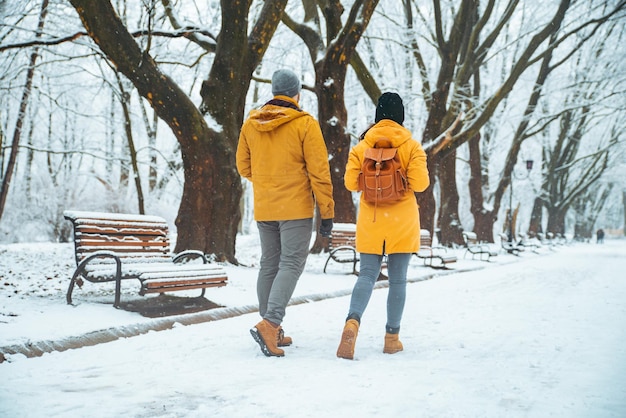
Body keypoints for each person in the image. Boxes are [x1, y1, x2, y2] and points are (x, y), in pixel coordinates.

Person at [236, 69, 335, 357]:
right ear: (296, 94)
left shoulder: (251, 124)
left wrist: (269, 180)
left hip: (265, 207)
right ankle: (270, 324)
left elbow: (244, 166)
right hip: (295, 207)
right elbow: (319, 171)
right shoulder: (304, 123)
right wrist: (326, 211)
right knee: (291, 264)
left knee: (270, 264)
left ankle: (272, 328)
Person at [336, 92, 429, 360]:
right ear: (400, 115)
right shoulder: (411, 146)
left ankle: (352, 322)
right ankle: (391, 338)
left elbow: (350, 183)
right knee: (398, 280)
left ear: (377, 115)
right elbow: (421, 184)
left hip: (372, 218)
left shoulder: (362, 146)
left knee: (367, 275)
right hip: (402, 220)